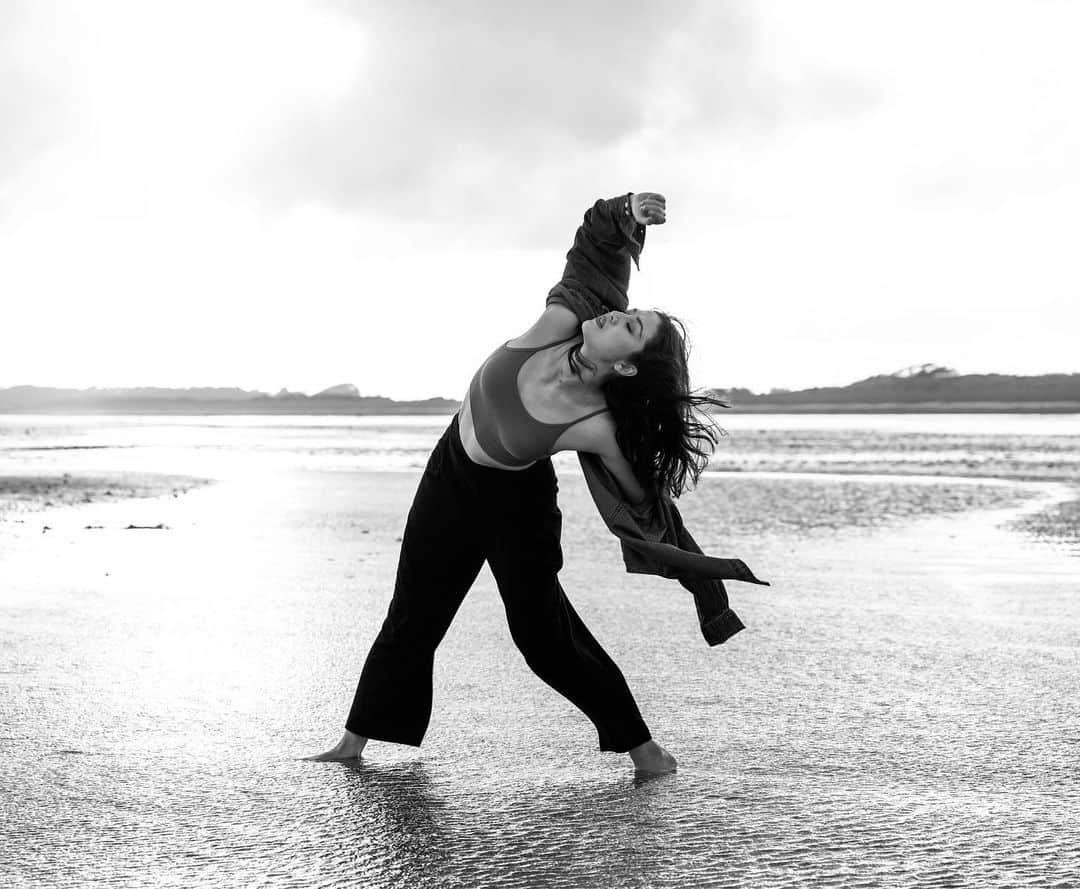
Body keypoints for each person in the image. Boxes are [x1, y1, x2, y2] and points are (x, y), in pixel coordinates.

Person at [307, 191, 732, 774]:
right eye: (626, 311)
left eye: (630, 326)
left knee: (543, 637)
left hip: (517, 505)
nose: (614, 315)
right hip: (451, 470)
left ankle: (645, 750)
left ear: (628, 365)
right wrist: (629, 211)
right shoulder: (561, 324)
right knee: (413, 612)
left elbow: (641, 499)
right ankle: (353, 743)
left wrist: (651, 528)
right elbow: (590, 255)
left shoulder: (597, 424)